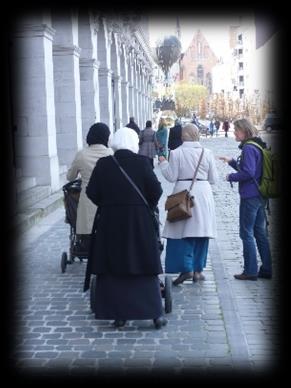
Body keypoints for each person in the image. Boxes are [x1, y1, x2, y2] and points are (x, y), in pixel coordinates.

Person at [83, 127, 167, 329]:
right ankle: (154, 313)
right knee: (144, 265)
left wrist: (109, 204)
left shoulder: (104, 164)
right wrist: (143, 205)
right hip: (138, 222)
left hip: (110, 222)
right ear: (133, 143)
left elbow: (92, 192)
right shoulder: (142, 163)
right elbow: (156, 191)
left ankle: (118, 314)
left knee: (114, 267)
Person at [158, 123, 218, 284]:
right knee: (201, 232)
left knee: (181, 232)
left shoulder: (176, 153)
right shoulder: (207, 152)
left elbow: (171, 176)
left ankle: (186, 269)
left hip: (182, 193)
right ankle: (198, 271)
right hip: (203, 193)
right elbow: (214, 179)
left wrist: (163, 162)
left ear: (182, 136)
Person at [218, 118, 272, 280]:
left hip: (250, 196)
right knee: (260, 233)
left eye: (237, 130)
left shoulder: (248, 148)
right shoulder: (257, 145)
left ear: (245, 131)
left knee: (246, 233)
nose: (234, 132)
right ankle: (267, 269)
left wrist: (230, 177)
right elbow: (252, 170)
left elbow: (248, 173)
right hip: (260, 195)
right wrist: (232, 162)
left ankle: (250, 271)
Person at [66, 122, 113, 251]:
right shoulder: (111, 153)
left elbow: (70, 177)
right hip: (107, 199)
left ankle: (86, 247)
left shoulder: (82, 154)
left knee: (88, 227)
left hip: (88, 199)